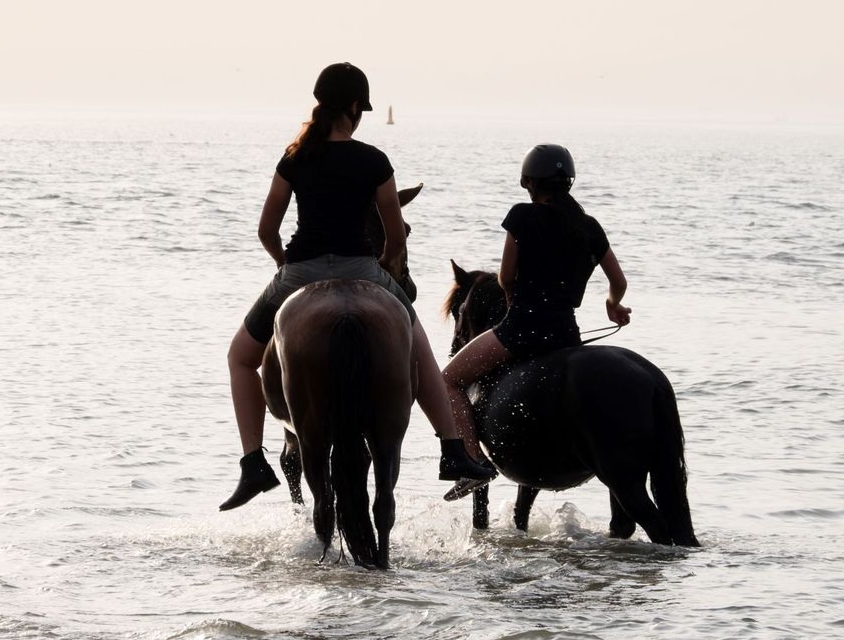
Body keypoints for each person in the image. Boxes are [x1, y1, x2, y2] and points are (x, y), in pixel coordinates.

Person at [221, 63, 495, 510]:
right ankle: (452, 449)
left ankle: (253, 463)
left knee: (240, 358)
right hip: (364, 270)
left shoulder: (294, 158)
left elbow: (266, 229)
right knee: (420, 347)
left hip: (301, 270)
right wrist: (386, 266)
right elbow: (395, 233)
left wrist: (283, 267)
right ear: (354, 107)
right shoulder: (374, 160)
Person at [442, 143, 631, 500]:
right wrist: (613, 305)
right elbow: (618, 282)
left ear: (529, 182)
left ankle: (472, 464)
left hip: (521, 330)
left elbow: (506, 277)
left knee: (448, 380)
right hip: (566, 335)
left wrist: (513, 301)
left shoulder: (522, 216)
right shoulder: (589, 227)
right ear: (568, 182)